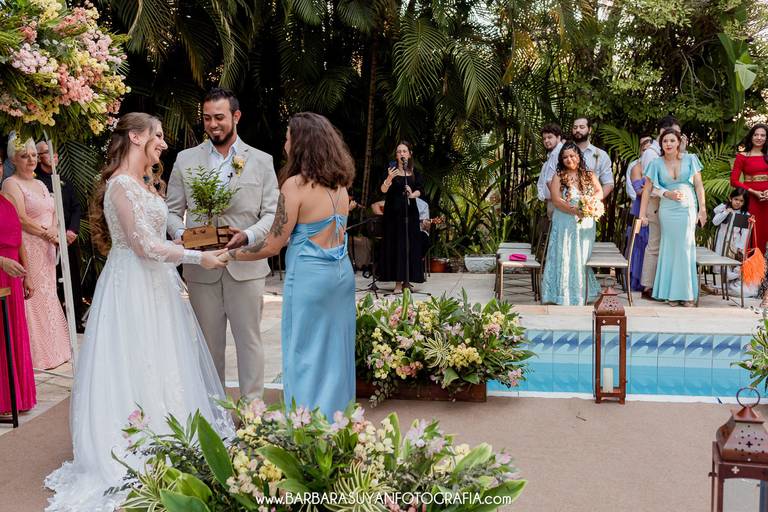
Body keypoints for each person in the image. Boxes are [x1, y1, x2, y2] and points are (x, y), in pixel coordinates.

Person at [44, 113, 233, 512]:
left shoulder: (144, 183)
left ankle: (173, 435)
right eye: (157, 135)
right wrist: (197, 257)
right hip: (131, 286)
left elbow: (161, 235)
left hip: (158, 286)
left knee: (165, 358)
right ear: (135, 136)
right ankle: (138, 441)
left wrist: (192, 240)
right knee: (135, 358)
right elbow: (143, 246)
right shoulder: (120, 186)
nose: (163, 142)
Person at [221, 112, 355, 419]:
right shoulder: (340, 185)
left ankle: (306, 421)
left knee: (303, 350)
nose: (285, 143)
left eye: (288, 137)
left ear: (301, 143)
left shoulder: (295, 186)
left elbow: (273, 245)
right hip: (340, 276)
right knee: (335, 351)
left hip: (309, 279)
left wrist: (232, 254)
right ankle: (336, 420)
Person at [166, 88, 279, 401]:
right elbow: (171, 211)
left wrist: (249, 235)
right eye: (207, 118)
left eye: (219, 117)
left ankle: (252, 411)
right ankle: (212, 410)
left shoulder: (261, 161)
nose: (213, 124)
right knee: (207, 345)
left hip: (246, 266)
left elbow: (271, 213)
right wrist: (183, 235)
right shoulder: (185, 160)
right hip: (201, 270)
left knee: (249, 342)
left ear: (236, 116)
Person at [1, 137, 70, 370]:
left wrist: (54, 229)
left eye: (33, 155)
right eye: (24, 156)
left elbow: (53, 210)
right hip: (29, 245)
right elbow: (19, 218)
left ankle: (56, 350)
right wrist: (46, 234)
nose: (31, 160)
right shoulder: (11, 184)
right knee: (33, 299)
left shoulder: (40, 183)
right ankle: (36, 355)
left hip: (47, 246)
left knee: (49, 294)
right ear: (13, 160)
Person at [643, 129, 706, 306]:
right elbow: (648, 189)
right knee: (669, 248)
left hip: (687, 208)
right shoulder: (656, 163)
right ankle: (670, 293)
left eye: (672, 140)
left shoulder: (691, 159)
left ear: (679, 142)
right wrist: (644, 213)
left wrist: (703, 210)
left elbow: (699, 186)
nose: (668, 144)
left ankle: (687, 294)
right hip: (667, 210)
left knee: (685, 248)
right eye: (665, 141)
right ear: (661, 144)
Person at [541, 141, 603, 305]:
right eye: (565, 157)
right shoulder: (559, 176)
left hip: (585, 224)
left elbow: (599, 191)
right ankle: (561, 294)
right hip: (564, 222)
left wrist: (590, 202)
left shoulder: (588, 174)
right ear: (561, 160)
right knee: (565, 254)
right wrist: (575, 210)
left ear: (578, 156)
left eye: (572, 156)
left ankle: (582, 292)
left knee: (581, 256)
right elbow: (556, 200)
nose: (569, 159)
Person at [35, 141, 86, 333]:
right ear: (39, 157)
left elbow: (76, 207)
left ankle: (77, 319)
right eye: (47, 151)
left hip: (68, 239)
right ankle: (56, 323)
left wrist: (72, 231)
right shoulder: (37, 182)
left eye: (54, 151)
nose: (53, 154)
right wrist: (53, 234)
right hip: (47, 238)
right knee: (52, 280)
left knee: (73, 278)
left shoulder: (64, 180)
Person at [638, 115, 682, 300]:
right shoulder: (652, 154)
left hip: (673, 207)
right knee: (655, 245)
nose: (676, 138)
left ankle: (665, 285)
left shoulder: (678, 157)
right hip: (656, 203)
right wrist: (667, 193)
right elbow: (650, 185)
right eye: (673, 133)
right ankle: (648, 286)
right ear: (663, 132)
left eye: (677, 135)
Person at [0, 190, 36, 414]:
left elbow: (20, 240)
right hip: (2, 270)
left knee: (14, 333)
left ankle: (18, 397)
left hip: (13, 273)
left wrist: (27, 275)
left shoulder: (7, 199)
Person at [377, 141, 425, 292]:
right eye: (399, 151)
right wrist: (389, 179)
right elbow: (382, 190)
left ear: (409, 154)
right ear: (396, 155)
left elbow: (420, 190)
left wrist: (412, 194)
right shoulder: (390, 170)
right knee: (396, 245)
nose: (401, 154)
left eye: (404, 151)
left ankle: (407, 281)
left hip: (410, 213)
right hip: (393, 214)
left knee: (409, 246)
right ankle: (397, 282)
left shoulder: (415, 172)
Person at [730, 124, 768, 254]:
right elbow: (734, 181)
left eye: (763, 135)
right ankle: (751, 265)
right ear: (751, 136)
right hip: (751, 200)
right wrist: (753, 192)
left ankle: (763, 265)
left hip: (767, 200)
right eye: (756, 134)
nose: (759, 138)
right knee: (752, 233)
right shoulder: (742, 156)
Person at [626, 136, 653, 291]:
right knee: (640, 243)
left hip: (655, 208)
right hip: (640, 207)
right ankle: (638, 280)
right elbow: (638, 191)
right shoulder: (637, 167)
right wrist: (654, 189)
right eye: (645, 150)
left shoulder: (659, 166)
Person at [712, 188, 750, 293]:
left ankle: (729, 284)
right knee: (721, 261)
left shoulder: (744, 214)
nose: (738, 202)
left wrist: (741, 247)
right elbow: (715, 222)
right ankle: (722, 285)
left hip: (734, 242)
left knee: (731, 263)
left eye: (741, 201)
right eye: (736, 199)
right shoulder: (724, 208)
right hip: (721, 239)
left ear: (744, 202)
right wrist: (725, 212)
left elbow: (745, 233)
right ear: (731, 198)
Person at [571, 117, 614, 198]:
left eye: (582, 127)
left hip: (591, 201)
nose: (577, 130)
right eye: (575, 127)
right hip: (565, 203)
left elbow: (608, 183)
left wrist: (593, 201)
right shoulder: (562, 153)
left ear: (589, 130)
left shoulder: (601, 155)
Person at [536, 123, 564, 217]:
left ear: (558, 137)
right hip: (553, 202)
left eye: (550, 137)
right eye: (544, 138)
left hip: (559, 202)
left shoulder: (560, 153)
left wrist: (557, 199)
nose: (546, 141)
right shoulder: (552, 154)